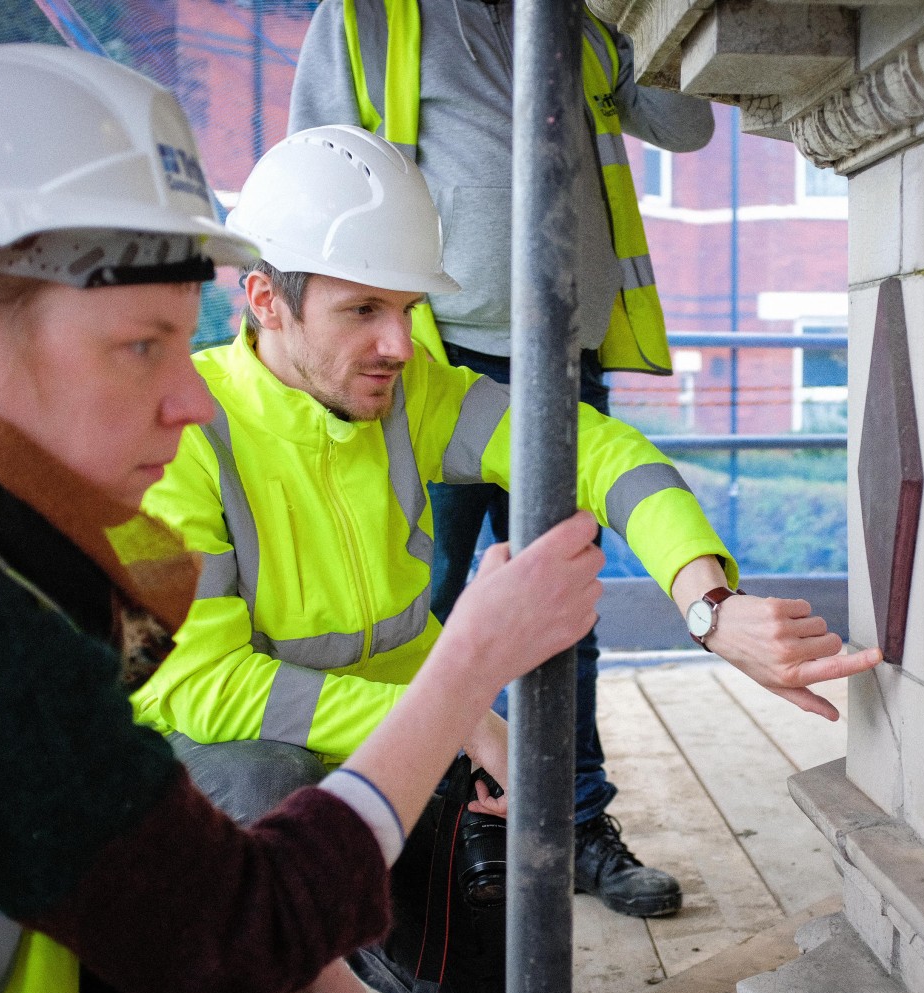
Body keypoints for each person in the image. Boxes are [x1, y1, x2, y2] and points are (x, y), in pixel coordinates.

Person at [0, 44, 604, 993]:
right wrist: (468, 661)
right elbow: (230, 929)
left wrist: (325, 988)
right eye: (139, 346)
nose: (194, 398)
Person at [131, 124, 882, 993]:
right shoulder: (187, 436)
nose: (398, 343)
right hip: (265, 770)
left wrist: (710, 608)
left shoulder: (414, 396)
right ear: (263, 300)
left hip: (408, 748)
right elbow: (201, 687)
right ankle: (296, 967)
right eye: (363, 309)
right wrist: (451, 717)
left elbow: (601, 454)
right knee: (257, 793)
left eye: (407, 308)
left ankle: (360, 929)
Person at [287, 0, 716, 923]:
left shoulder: (578, 21)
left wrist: (648, 26)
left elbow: (689, 124)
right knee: (427, 608)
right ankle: (446, 835)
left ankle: (575, 826)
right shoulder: (371, 15)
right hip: (424, 360)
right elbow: (313, 178)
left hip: (565, 357)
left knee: (564, 612)